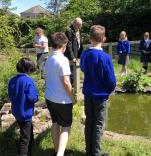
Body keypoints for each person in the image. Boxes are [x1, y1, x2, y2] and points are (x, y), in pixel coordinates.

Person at [80, 25, 116, 156]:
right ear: (104, 39)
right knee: (99, 124)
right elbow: (111, 80)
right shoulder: (105, 58)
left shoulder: (85, 54)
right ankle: (96, 153)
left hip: (88, 93)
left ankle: (88, 151)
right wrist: (109, 90)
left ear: (90, 38)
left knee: (89, 121)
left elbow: (83, 68)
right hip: (101, 96)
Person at [45, 32, 76, 156]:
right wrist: (72, 97)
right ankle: (60, 154)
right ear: (65, 44)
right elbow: (66, 82)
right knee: (66, 127)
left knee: (55, 123)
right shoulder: (62, 60)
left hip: (49, 97)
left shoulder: (48, 59)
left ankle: (57, 150)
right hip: (62, 100)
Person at [8, 58, 38, 156]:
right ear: (28, 70)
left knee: (27, 131)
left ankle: (30, 150)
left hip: (16, 111)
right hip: (25, 112)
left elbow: (10, 95)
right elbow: (32, 98)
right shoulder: (28, 81)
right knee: (25, 139)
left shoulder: (12, 80)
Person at [64, 18, 83, 84]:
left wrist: (80, 55)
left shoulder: (78, 30)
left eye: (80, 25)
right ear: (74, 23)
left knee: (76, 70)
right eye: (78, 25)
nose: (79, 27)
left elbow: (79, 43)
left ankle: (75, 84)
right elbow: (68, 45)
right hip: (71, 55)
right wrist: (72, 57)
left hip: (77, 53)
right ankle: (72, 87)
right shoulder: (69, 31)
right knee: (71, 71)